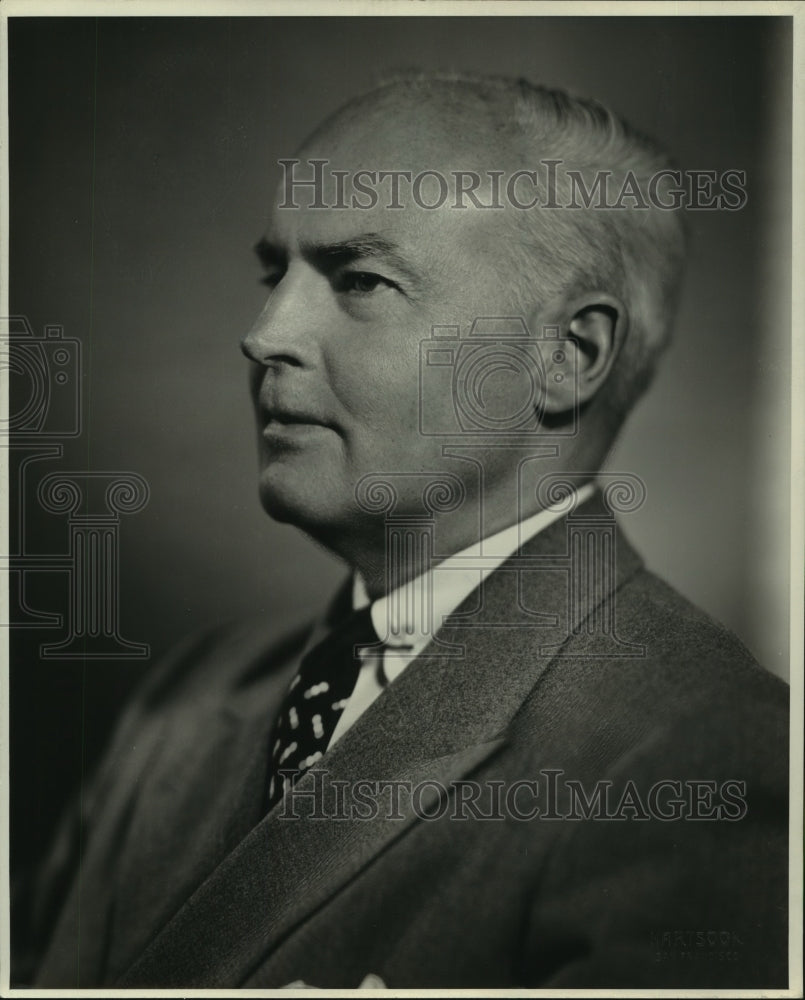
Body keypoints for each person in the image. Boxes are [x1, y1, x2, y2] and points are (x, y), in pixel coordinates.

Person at [25, 74, 788, 989]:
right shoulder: (186, 703)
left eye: (361, 280)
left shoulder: (701, 759)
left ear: (566, 356)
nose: (265, 333)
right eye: (277, 275)